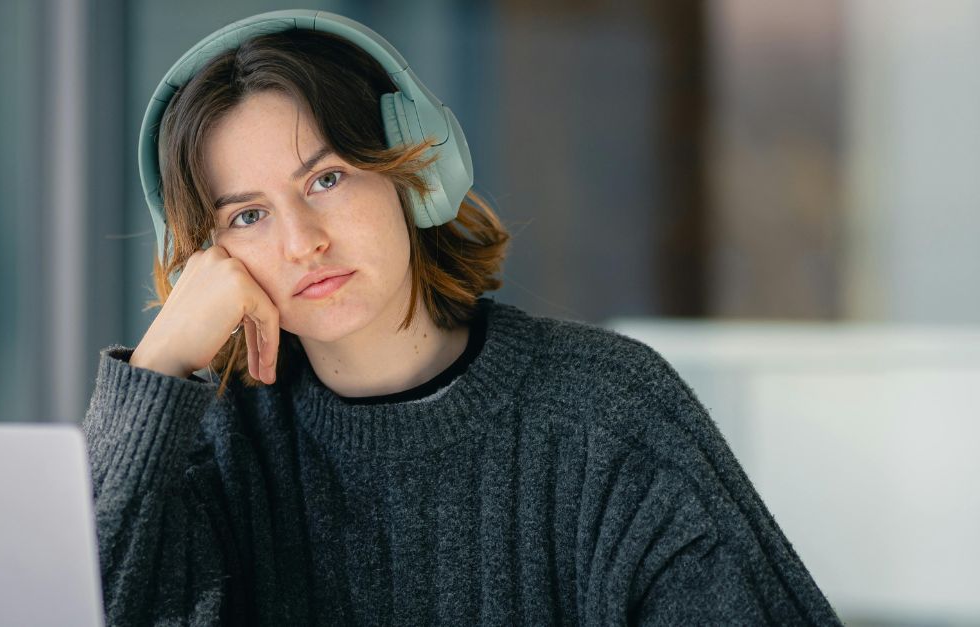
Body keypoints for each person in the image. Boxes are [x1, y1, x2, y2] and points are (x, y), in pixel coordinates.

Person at [80, 10, 843, 626]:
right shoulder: (215, 446)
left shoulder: (610, 414)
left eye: (327, 177)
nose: (300, 243)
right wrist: (157, 371)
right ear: (204, 261)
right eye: (247, 215)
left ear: (419, 171)